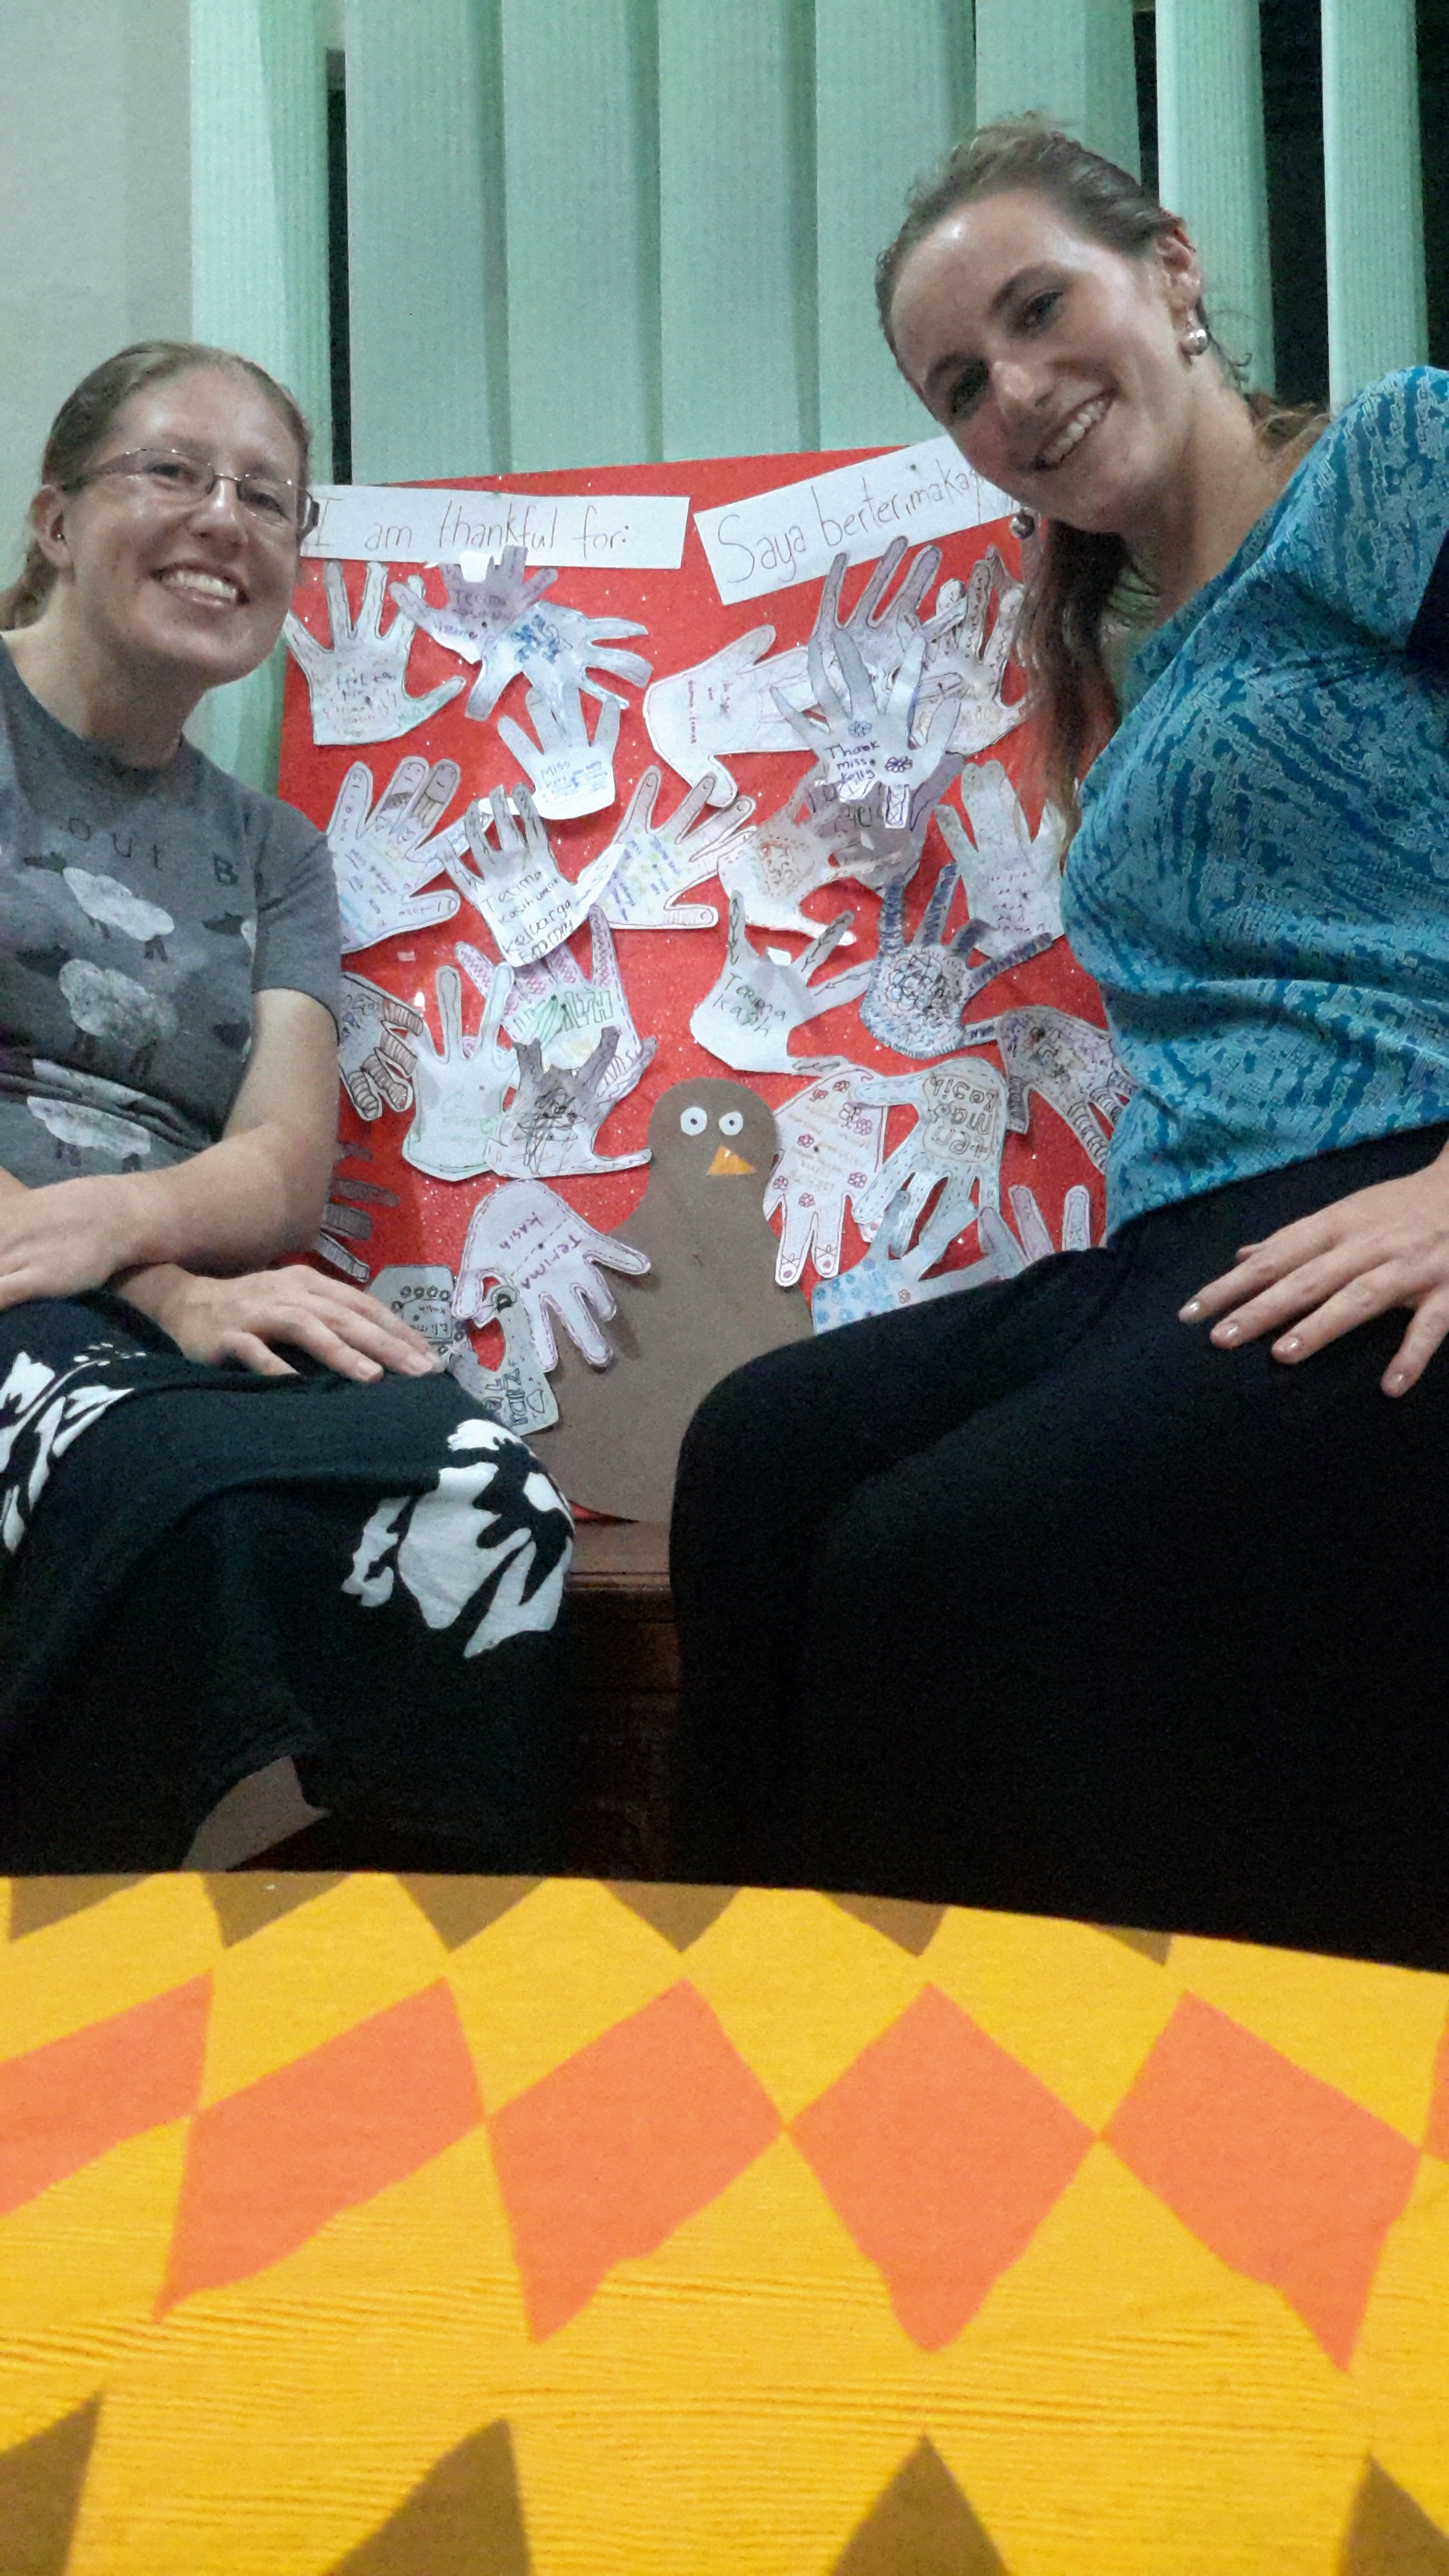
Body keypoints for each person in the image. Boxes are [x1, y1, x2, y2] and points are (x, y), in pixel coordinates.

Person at [670, 123, 1449, 1968]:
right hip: (1179, 1243)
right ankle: (742, 2024)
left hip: (1380, 1211)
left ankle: (980, 2087)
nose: (1013, 391)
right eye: (961, 382)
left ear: (1172, 272)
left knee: (927, 1567)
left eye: (1038, 311)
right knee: (758, 1454)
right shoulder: (1147, 660)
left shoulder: (1391, 470)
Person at [0, 341, 573, 1872]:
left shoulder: (275, 854)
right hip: (43, 1290)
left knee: (488, 1495)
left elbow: (280, 1163)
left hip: (151, 1282)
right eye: (172, 472)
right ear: (55, 518)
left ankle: (420, 1962)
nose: (224, 520)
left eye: (266, 497)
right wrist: (161, 1283)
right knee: (179, 1497)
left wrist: (135, 1246)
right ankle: (75, 1967)